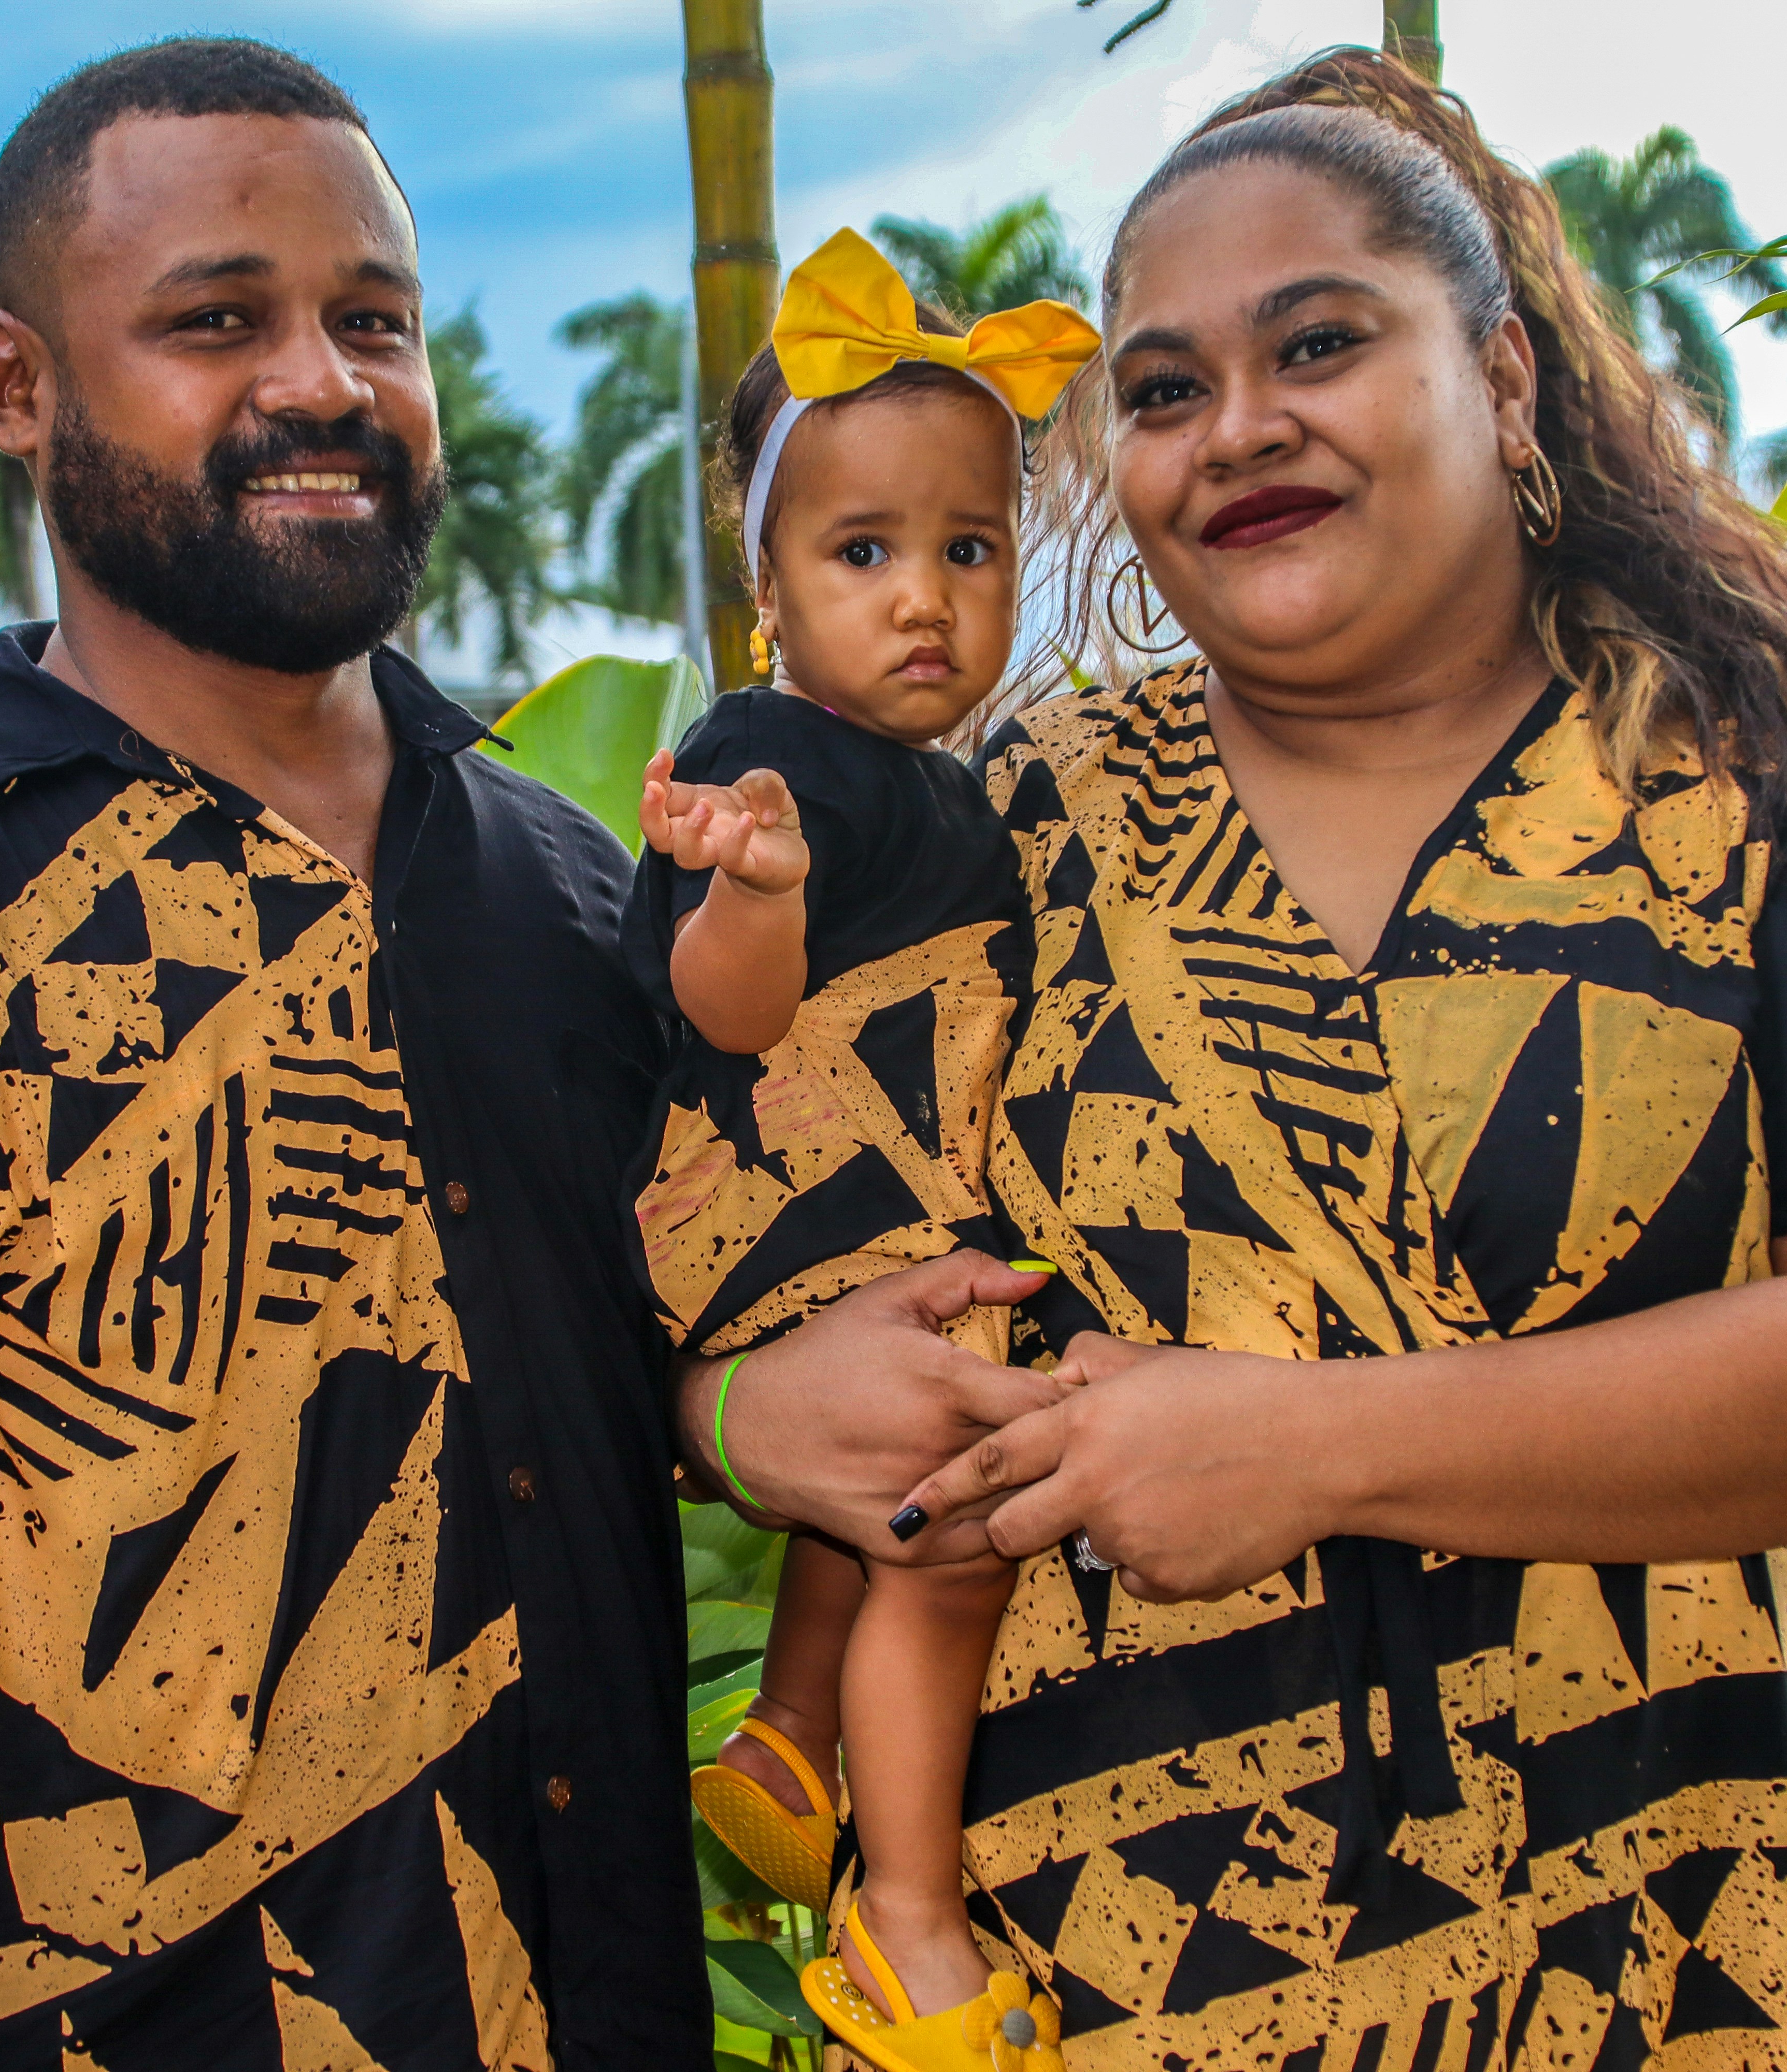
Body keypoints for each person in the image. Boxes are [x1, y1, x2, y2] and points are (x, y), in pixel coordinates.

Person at [684, 48, 1787, 2069]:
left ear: (1506, 377)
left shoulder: (1768, 780)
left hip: (1645, 1964)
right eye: (1164, 390)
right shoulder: (995, 824)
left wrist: (1312, 1443)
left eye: (1320, 343)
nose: (1235, 430)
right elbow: (718, 1190)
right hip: (1072, 1985)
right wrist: (748, 1402)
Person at [0, 38, 706, 2070]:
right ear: (17, 385)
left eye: (375, 319)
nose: (319, 379)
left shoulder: (576, 898)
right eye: (217, 320)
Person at [633, 228, 1091, 2071]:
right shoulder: (777, 762)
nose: (928, 602)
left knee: (874, 1488)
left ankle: (790, 1736)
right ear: (768, 589)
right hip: (804, 1183)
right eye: (865, 555)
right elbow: (727, 1010)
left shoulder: (932, 771)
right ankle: (907, 1925)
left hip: (859, 1204)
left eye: (967, 552)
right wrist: (761, 887)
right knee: (954, 1533)